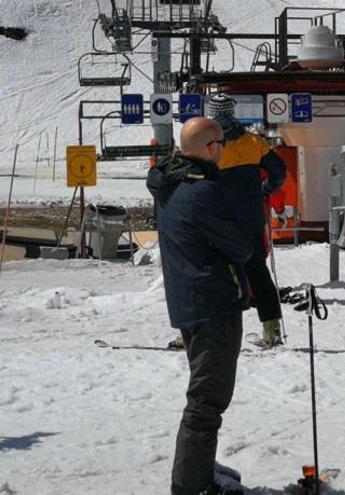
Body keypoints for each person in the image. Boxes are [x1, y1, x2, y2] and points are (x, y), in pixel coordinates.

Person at [147, 117, 252, 495]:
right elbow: (241, 245)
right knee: (208, 399)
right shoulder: (202, 192)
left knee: (204, 392)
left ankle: (199, 466)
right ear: (211, 148)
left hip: (189, 302)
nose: (223, 151)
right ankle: (191, 484)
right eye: (221, 144)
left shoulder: (171, 184)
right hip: (212, 305)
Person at [208, 94, 287, 348]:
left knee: (211, 275)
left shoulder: (207, 144)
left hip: (218, 219)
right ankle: (272, 329)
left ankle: (199, 333)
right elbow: (279, 171)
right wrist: (265, 190)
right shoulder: (254, 141)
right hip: (250, 218)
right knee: (258, 272)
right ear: (234, 112)